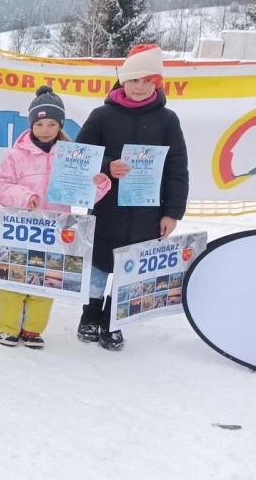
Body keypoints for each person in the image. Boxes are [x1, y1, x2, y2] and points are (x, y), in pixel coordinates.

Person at [74, 44, 189, 351]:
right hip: (105, 209)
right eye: (134, 80)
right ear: (123, 80)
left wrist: (172, 212)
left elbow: (177, 169)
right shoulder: (101, 116)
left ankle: (114, 320)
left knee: (131, 268)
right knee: (99, 265)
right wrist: (106, 166)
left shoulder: (168, 120)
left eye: (148, 81)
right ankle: (90, 315)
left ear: (158, 83)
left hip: (147, 214)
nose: (140, 87)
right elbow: (79, 155)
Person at [0, 86, 111, 348]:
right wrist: (24, 197)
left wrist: (99, 184)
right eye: (40, 124)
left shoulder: (71, 156)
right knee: (14, 278)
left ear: (60, 125)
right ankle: (7, 327)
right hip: (21, 230)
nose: (45, 130)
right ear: (31, 124)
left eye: (52, 124)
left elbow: (85, 195)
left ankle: (33, 329)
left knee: (47, 280)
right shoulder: (16, 155)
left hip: (55, 231)